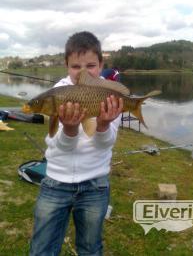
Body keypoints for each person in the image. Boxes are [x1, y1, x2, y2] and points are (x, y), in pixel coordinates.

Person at [30, 31, 123, 256]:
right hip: (56, 182)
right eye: (75, 66)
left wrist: (102, 126)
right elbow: (56, 144)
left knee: (90, 248)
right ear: (66, 65)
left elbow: (106, 143)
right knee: (42, 248)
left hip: (95, 184)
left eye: (91, 65)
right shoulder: (57, 94)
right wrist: (70, 129)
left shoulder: (110, 95)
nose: (83, 72)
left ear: (101, 65)